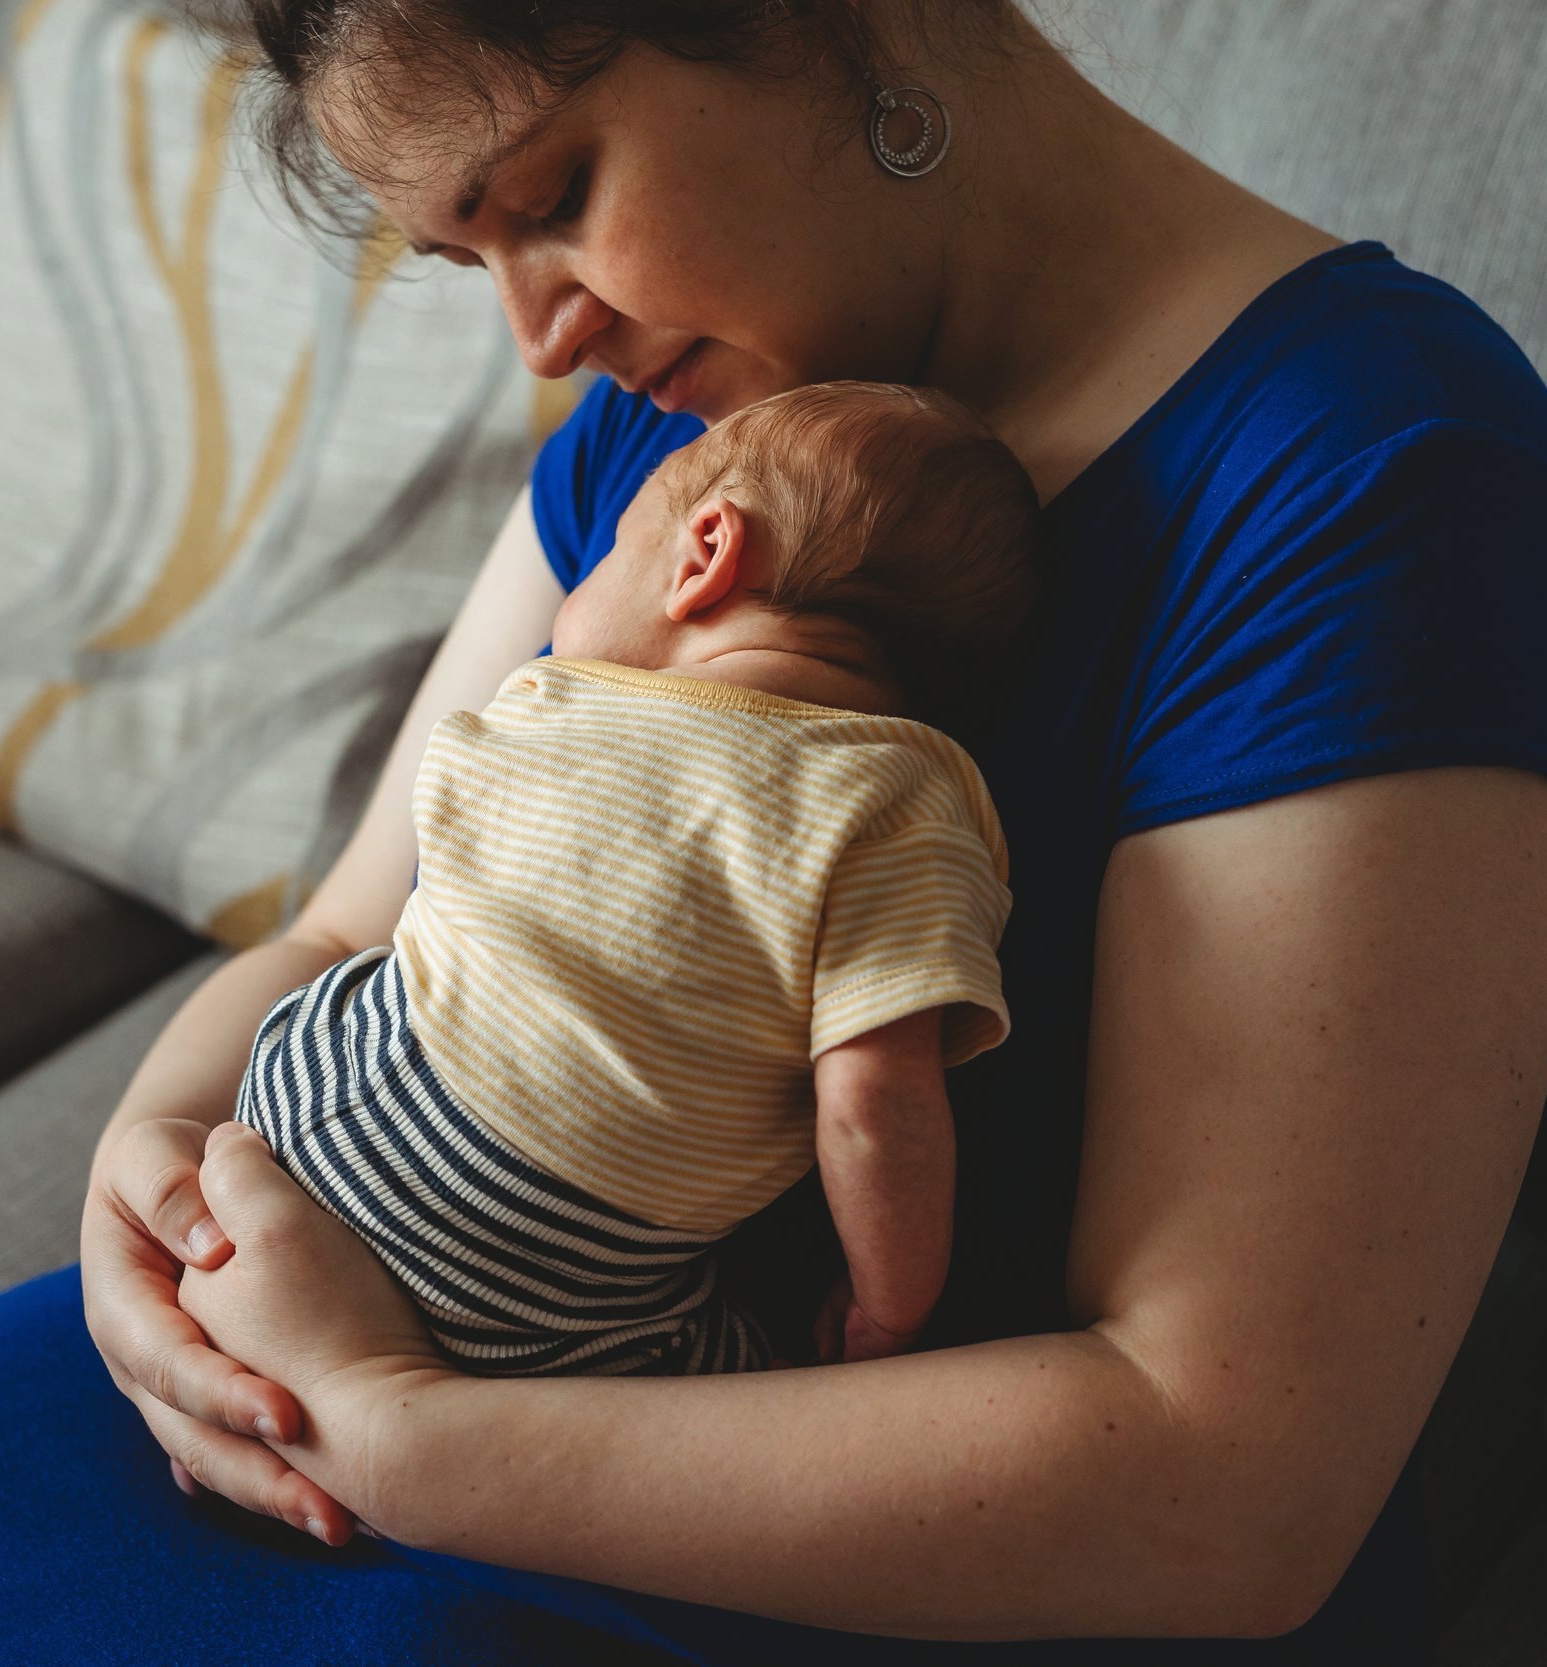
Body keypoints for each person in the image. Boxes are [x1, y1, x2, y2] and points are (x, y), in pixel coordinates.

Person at [0, 2, 1547, 1663]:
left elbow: (1215, 1486)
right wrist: (140, 1173)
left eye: (548, 193)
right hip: (390, 1365)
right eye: (465, 253)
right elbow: (347, 936)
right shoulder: (689, 442)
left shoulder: (1372, 481)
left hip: (888, 1555)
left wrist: (395, 1435)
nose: (538, 335)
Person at [223, 380, 1036, 1383]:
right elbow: (872, 1102)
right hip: (530, 1268)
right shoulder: (902, 807)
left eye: (614, 546)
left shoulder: (545, 700)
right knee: (745, 1389)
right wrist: (890, 1304)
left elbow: (408, 904)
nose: (593, 566)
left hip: (293, 1092)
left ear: (703, 557)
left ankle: (247, 1329)